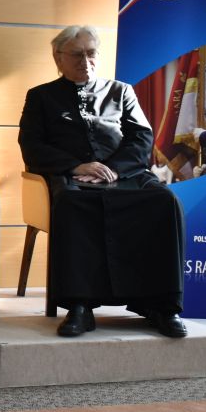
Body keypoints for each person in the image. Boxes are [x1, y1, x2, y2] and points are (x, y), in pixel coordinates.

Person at [18, 25, 186, 339]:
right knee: (71, 203)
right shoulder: (40, 96)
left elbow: (142, 138)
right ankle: (80, 307)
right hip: (72, 176)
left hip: (123, 174)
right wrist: (77, 166)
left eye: (91, 53)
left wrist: (112, 169)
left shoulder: (121, 91)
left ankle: (162, 307)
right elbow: (32, 145)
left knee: (165, 201)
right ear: (58, 57)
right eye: (76, 55)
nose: (85, 61)